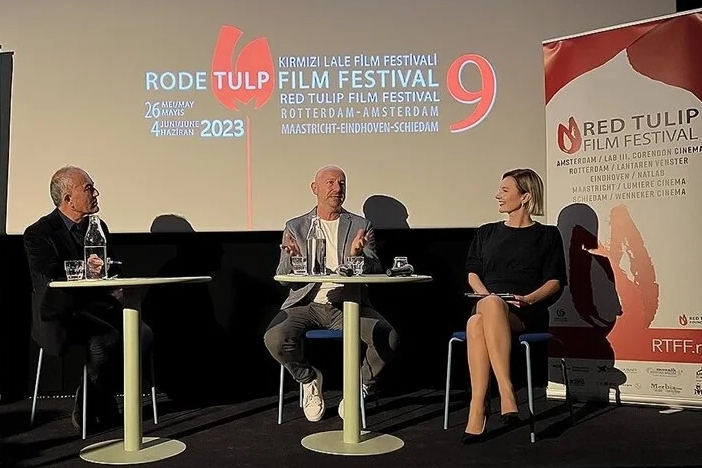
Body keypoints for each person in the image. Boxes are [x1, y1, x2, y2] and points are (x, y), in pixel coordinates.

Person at [23, 166, 153, 432]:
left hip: (98, 308)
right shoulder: (38, 233)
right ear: (68, 199)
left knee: (142, 333)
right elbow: (50, 275)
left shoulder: (98, 227)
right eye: (89, 188)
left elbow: (111, 268)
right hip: (61, 313)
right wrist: (86, 269)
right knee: (106, 338)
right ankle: (97, 404)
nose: (96, 193)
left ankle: (90, 398)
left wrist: (116, 282)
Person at [264, 165, 398, 422]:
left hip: (347, 303)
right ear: (314, 188)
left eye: (342, 183)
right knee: (275, 338)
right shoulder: (296, 226)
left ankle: (358, 387)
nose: (337, 189)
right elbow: (282, 277)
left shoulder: (360, 225)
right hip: (306, 303)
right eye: (330, 183)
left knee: (388, 337)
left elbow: (375, 269)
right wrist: (294, 258)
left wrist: (357, 256)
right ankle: (308, 379)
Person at [462, 168, 566, 444]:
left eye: (505, 190)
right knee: (488, 307)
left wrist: (528, 299)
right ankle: (507, 392)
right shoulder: (487, 232)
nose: (497, 195)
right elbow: (473, 272)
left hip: (524, 311)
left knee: (475, 324)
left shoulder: (547, 235)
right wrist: (486, 297)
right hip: (487, 302)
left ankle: (478, 409)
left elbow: (555, 281)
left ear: (525, 197)